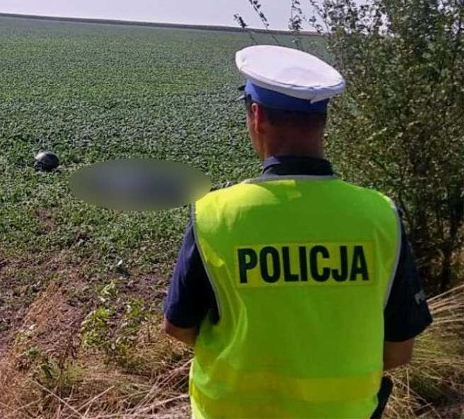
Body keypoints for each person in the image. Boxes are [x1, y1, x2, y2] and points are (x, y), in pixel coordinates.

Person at [162, 45, 433, 418]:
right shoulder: (379, 216)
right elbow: (399, 351)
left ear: (256, 116)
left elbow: (179, 327)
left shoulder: (215, 214)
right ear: (323, 122)